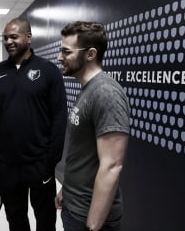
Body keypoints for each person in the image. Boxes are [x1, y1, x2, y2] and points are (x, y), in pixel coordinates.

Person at [0, 18, 68, 231]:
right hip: (9, 165)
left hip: (40, 164)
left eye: (14, 36)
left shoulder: (49, 71)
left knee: (46, 219)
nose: (8, 41)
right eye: (5, 38)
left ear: (28, 38)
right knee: (15, 218)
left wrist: (51, 162)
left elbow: (59, 118)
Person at [54, 21, 130, 231]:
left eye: (66, 52)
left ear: (90, 54)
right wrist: (67, 191)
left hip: (90, 218)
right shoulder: (88, 89)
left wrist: (93, 225)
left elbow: (112, 166)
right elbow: (82, 153)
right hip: (74, 207)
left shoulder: (106, 93)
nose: (60, 57)